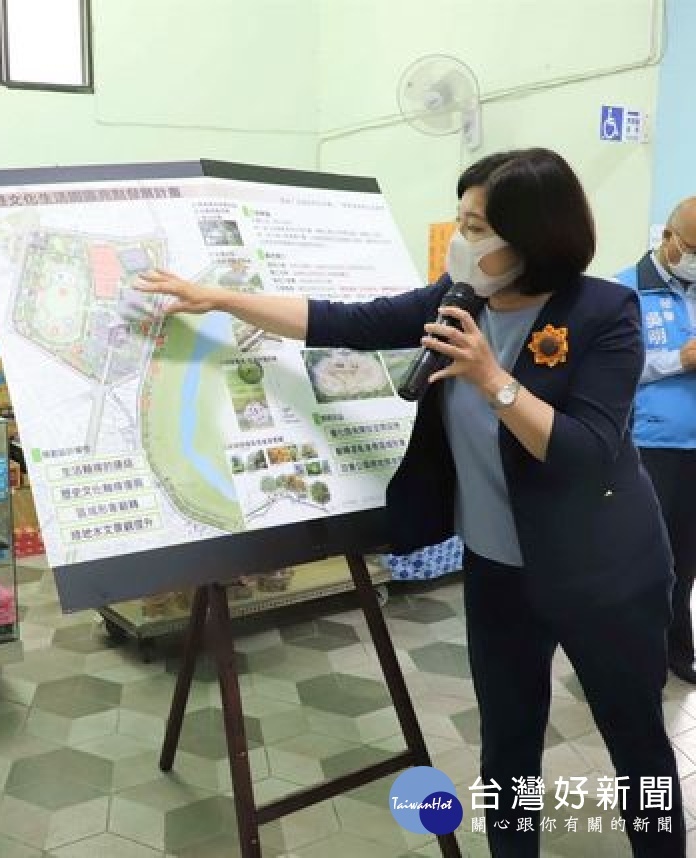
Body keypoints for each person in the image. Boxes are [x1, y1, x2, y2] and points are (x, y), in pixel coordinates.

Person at [137, 148, 682, 857]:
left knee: (636, 745)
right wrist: (218, 299)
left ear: (533, 235)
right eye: (460, 221)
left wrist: (494, 379)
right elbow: (344, 321)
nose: (461, 240)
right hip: (499, 571)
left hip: (603, 573)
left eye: (477, 227)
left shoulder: (605, 311)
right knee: (507, 743)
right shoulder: (457, 299)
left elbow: (587, 452)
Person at [617, 198, 696, 684]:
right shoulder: (623, 290)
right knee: (642, 559)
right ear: (668, 237)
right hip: (649, 446)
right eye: (694, 249)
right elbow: (610, 369)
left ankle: (677, 649)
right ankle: (628, 655)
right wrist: (678, 360)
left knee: (686, 558)